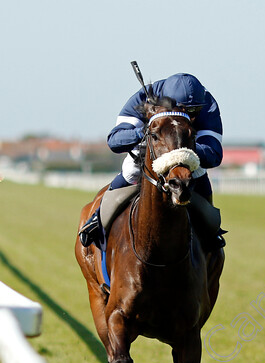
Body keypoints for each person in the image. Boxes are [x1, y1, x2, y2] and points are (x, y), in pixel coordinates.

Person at [78, 73, 224, 249]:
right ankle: (98, 220)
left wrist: (183, 149)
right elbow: (114, 141)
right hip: (151, 147)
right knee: (131, 169)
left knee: (199, 170)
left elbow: (213, 154)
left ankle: (211, 233)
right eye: (185, 110)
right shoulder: (144, 97)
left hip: (187, 149)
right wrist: (147, 133)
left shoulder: (206, 103)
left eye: (194, 111)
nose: (191, 116)